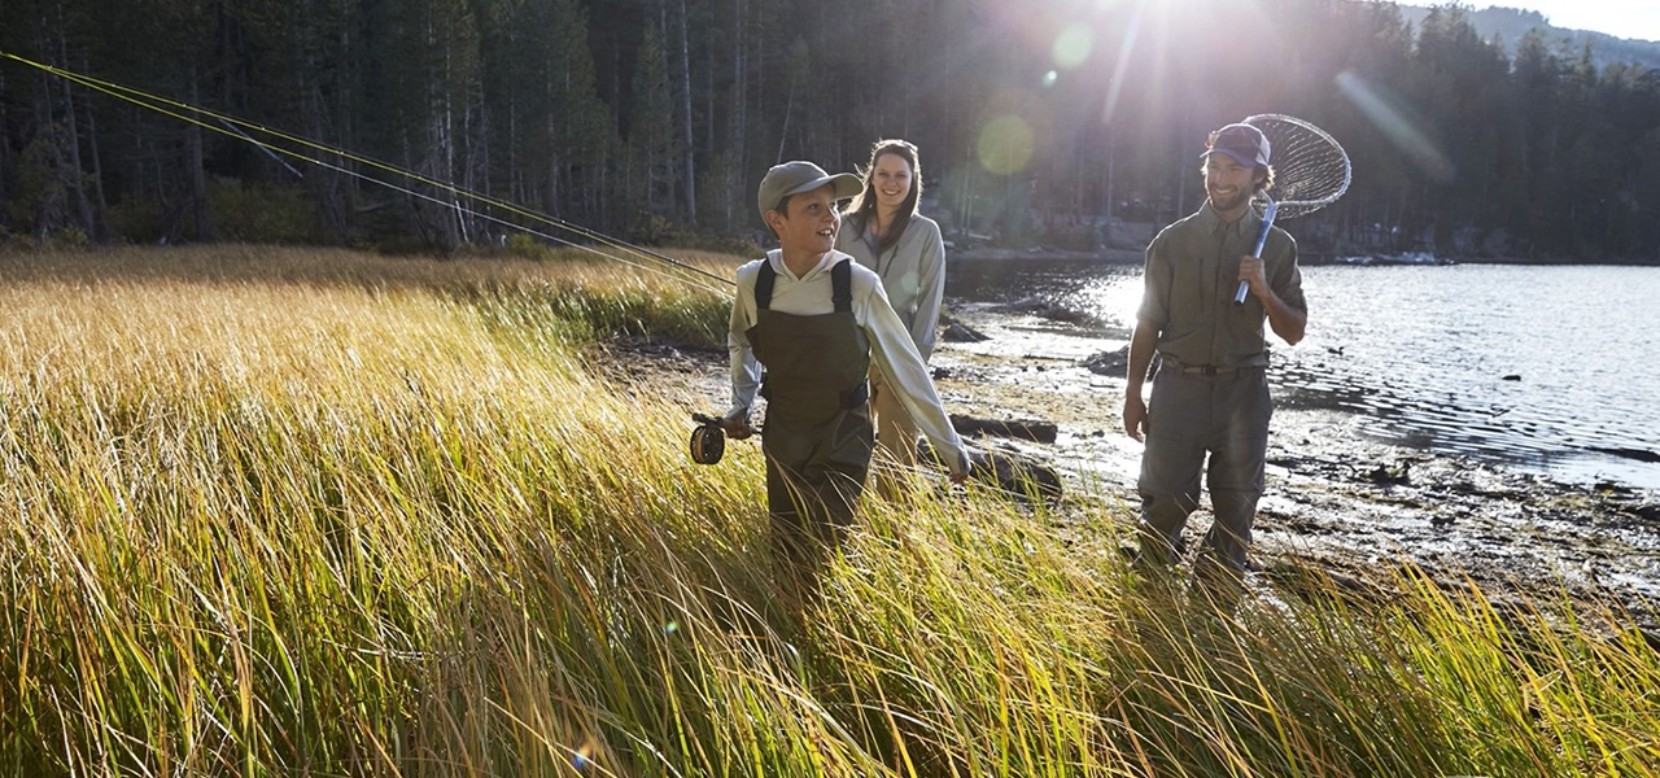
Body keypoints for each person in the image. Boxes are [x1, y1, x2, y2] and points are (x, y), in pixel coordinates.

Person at [722, 160, 970, 608]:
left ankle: (828, 629)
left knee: (822, 544)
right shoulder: (752, 282)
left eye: (832, 207)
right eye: (813, 208)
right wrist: (740, 405)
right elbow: (741, 342)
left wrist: (948, 444)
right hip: (784, 436)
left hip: (845, 436)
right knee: (788, 553)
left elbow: (906, 367)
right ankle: (796, 639)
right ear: (777, 221)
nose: (830, 218)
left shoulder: (857, 282)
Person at [1121, 122, 1308, 605]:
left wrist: (1265, 290)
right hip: (1177, 390)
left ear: (1258, 178)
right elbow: (1147, 324)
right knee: (1163, 502)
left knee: (1237, 508)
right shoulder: (1171, 241)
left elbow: (1294, 332)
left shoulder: (1279, 248)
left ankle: (1214, 617)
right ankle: (1150, 606)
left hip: (1244, 393)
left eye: (1234, 169)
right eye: (1215, 167)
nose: (1220, 179)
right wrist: (1132, 393)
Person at [835, 139, 947, 471]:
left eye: (900, 175)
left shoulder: (927, 233)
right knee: (844, 449)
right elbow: (826, 286)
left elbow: (929, 304)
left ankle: (895, 524)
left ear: (914, 181)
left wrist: (915, 365)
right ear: (871, 177)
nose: (891, 183)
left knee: (896, 460)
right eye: (883, 173)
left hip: (899, 358)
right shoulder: (844, 225)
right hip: (847, 355)